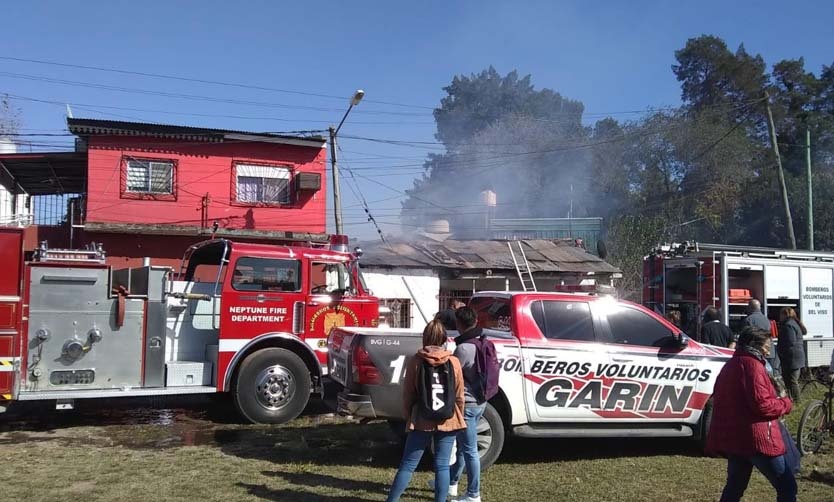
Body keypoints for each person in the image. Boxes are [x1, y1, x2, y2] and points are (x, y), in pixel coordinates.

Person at [707, 327, 795, 502]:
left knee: (734, 487)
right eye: (766, 345)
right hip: (756, 438)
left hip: (736, 437)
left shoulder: (730, 365)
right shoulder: (753, 366)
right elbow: (762, 405)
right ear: (756, 345)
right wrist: (785, 404)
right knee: (787, 487)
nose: (769, 349)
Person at [386, 320, 465, 502]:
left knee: (408, 465)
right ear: (444, 339)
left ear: (425, 338)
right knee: (442, 465)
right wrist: (458, 415)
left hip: (422, 418)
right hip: (448, 418)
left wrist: (408, 415)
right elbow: (459, 394)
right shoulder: (454, 362)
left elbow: (408, 393)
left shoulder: (416, 361)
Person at [448, 307, 486, 502]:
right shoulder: (484, 341)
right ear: (476, 320)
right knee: (464, 448)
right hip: (482, 401)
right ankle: (452, 483)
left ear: (458, 324)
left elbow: (453, 375)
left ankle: (473, 494)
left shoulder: (463, 348)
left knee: (470, 450)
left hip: (467, 404)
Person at [777, 307, 807, 402]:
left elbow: (790, 341)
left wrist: (782, 352)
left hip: (791, 357)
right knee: (792, 379)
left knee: (792, 380)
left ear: (785, 315)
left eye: (781, 314)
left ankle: (796, 400)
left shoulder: (788, 325)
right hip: (796, 356)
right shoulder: (794, 323)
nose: (780, 317)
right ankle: (793, 399)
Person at [744, 299, 780, 373]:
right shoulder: (766, 319)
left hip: (757, 352)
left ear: (750, 307)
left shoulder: (749, 320)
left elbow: (746, 337)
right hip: (769, 350)